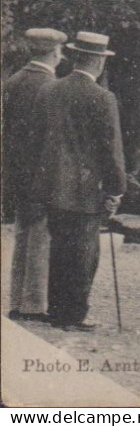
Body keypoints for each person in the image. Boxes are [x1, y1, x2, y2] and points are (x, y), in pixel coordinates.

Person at [32, 31, 126, 332]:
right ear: (99, 60)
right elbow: (111, 149)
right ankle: (75, 313)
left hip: (52, 185)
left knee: (59, 247)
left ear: (74, 56)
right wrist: (116, 189)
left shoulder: (49, 90)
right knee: (85, 253)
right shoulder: (102, 97)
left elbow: (36, 138)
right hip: (87, 188)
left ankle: (57, 311)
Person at [3, 28, 66, 322]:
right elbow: (51, 138)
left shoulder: (14, 81)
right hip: (43, 172)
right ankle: (34, 304)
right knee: (41, 237)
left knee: (23, 235)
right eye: (60, 52)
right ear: (54, 53)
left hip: (18, 171)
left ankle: (18, 300)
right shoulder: (51, 86)